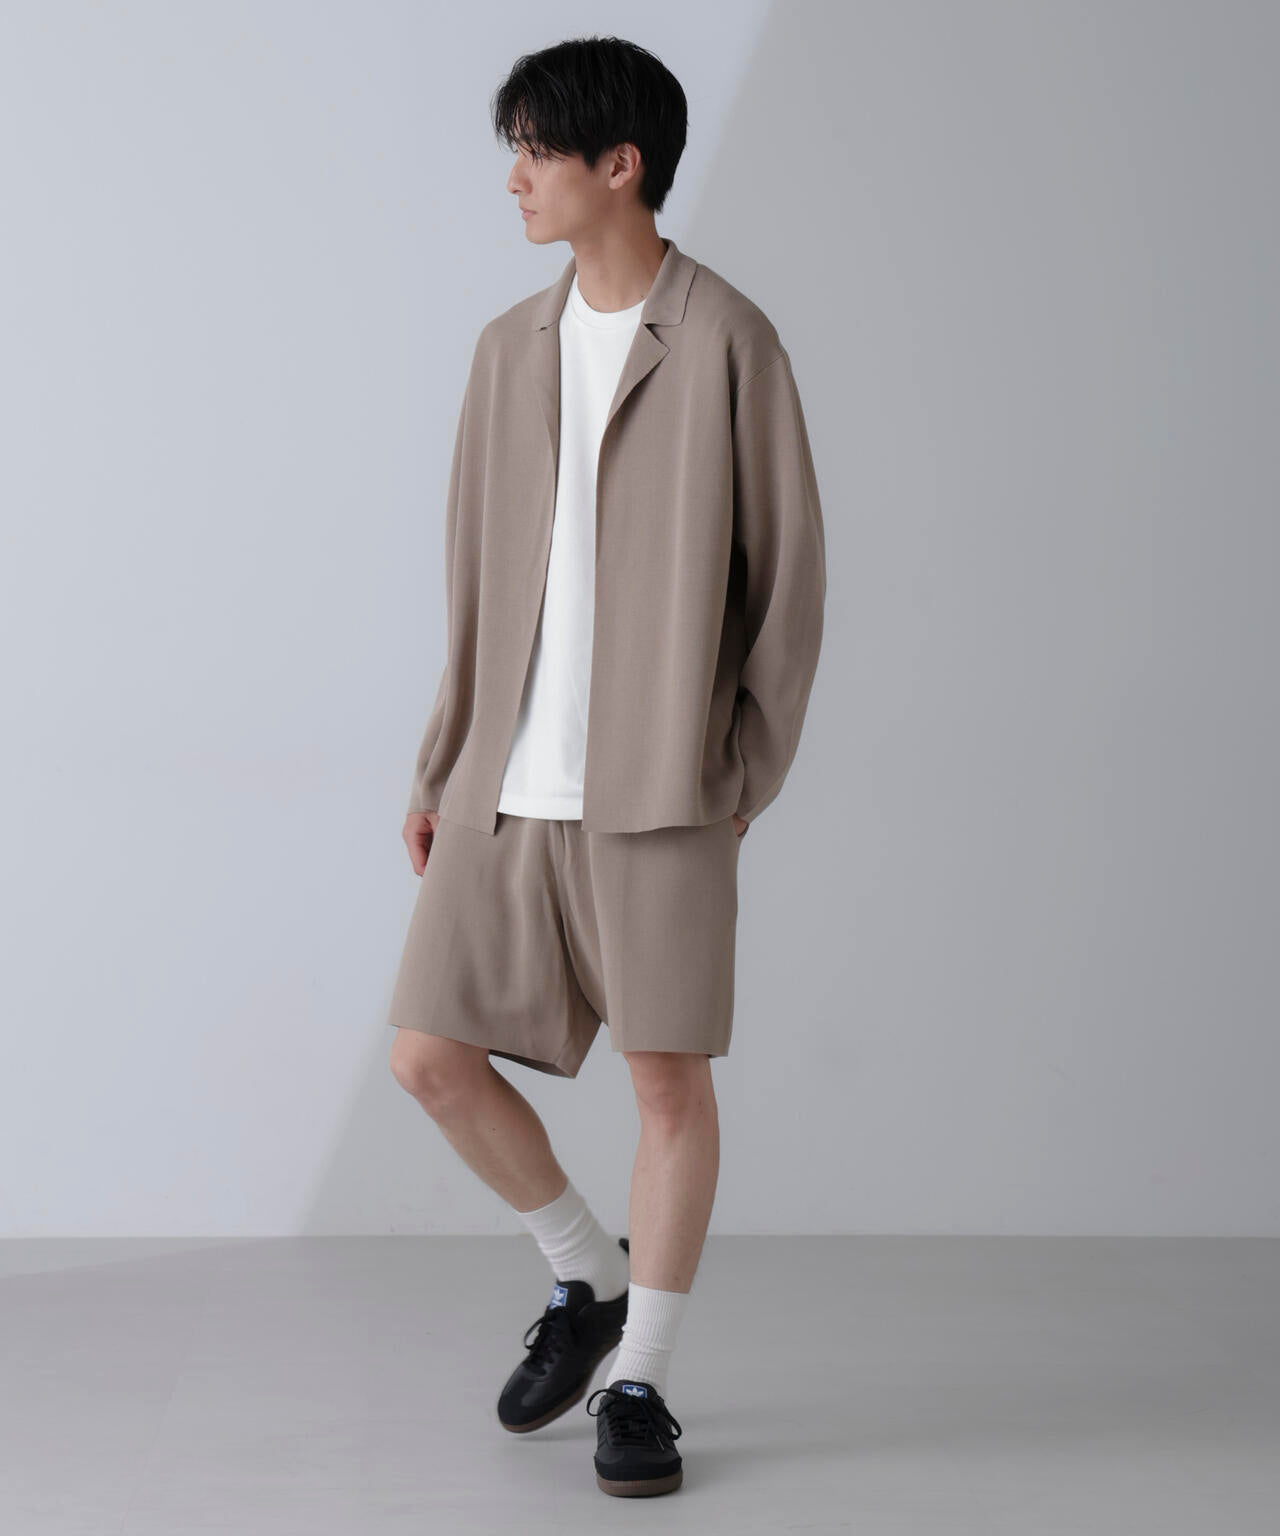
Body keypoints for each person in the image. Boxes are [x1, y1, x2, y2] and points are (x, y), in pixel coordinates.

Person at [385, 35, 826, 1499]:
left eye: (536, 150)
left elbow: (790, 584)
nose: (514, 178)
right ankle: (587, 1275)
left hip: (660, 791)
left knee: (667, 1087)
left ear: (618, 165)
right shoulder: (506, 348)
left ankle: (642, 1381)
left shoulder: (728, 340)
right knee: (429, 1058)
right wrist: (443, 761)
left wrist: (739, 774)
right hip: (506, 781)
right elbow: (471, 581)